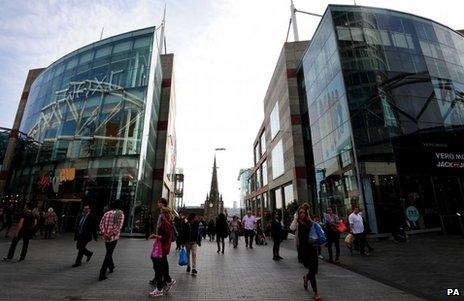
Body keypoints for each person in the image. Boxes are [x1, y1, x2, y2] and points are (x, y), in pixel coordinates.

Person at [149, 203, 176, 298]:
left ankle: (159, 289)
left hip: (162, 247)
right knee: (161, 265)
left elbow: (165, 237)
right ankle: (169, 280)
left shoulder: (166, 223)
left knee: (158, 267)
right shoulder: (166, 222)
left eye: (161, 212)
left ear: (165, 214)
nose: (160, 214)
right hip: (161, 247)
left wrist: (154, 236)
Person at [297, 209, 321, 301]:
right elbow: (301, 240)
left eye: (304, 212)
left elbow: (317, 227)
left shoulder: (309, 222)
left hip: (313, 249)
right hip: (306, 251)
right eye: (301, 213)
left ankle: (306, 277)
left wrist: (311, 220)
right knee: (312, 271)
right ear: (298, 215)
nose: (303, 214)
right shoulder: (300, 224)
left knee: (314, 271)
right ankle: (316, 293)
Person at [98, 200, 124, 280]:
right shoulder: (120, 214)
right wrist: (110, 234)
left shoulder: (106, 213)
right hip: (113, 237)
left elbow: (101, 224)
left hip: (105, 237)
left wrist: (104, 233)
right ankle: (102, 272)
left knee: (109, 251)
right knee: (109, 253)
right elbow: (118, 227)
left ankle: (111, 266)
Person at [72, 203, 98, 267]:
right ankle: (89, 253)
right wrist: (75, 235)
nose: (85, 210)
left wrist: (95, 236)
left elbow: (94, 228)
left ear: (89, 210)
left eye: (87, 209)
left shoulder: (92, 217)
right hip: (79, 235)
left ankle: (78, 262)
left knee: (81, 248)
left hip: (86, 236)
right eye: (84, 209)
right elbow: (77, 226)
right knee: (78, 247)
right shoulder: (80, 216)